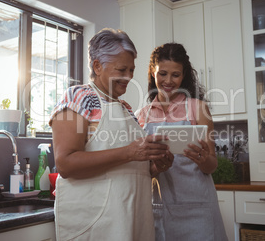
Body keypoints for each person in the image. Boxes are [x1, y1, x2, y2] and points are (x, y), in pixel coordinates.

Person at [49, 28, 173, 241]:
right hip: (99, 224)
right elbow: (65, 163)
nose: (129, 77)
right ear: (98, 66)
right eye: (122, 69)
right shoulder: (80, 97)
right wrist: (130, 152)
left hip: (132, 221)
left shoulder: (125, 108)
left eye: (132, 70)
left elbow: (130, 168)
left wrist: (154, 167)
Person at [136, 43, 228, 241]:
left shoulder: (198, 108)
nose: (168, 81)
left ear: (183, 75)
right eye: (163, 73)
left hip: (199, 208)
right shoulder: (142, 116)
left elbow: (212, 165)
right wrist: (156, 168)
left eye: (175, 75)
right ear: (153, 72)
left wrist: (203, 159)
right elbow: (145, 172)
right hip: (161, 208)